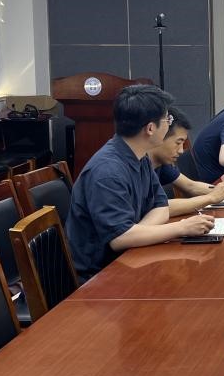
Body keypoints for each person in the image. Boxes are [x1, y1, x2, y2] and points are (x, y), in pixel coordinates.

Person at [66, 84, 214, 280]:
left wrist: (139, 233)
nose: (169, 124)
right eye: (167, 120)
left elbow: (160, 207)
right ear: (150, 128)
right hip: (101, 275)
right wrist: (182, 228)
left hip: (130, 258)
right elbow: (120, 238)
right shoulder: (107, 171)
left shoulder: (140, 156)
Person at [149, 107, 224, 216]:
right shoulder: (141, 165)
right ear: (159, 134)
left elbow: (190, 186)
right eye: (178, 142)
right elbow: (157, 208)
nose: (181, 151)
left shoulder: (162, 163)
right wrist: (210, 198)